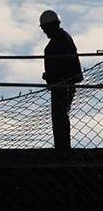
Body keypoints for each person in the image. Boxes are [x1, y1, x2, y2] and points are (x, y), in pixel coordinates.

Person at [40, 10, 83, 151]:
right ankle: (62, 147)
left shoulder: (59, 42)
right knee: (60, 116)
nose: (44, 32)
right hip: (63, 83)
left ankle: (62, 149)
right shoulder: (62, 39)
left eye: (45, 28)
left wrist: (51, 77)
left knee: (59, 116)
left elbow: (65, 66)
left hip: (62, 84)